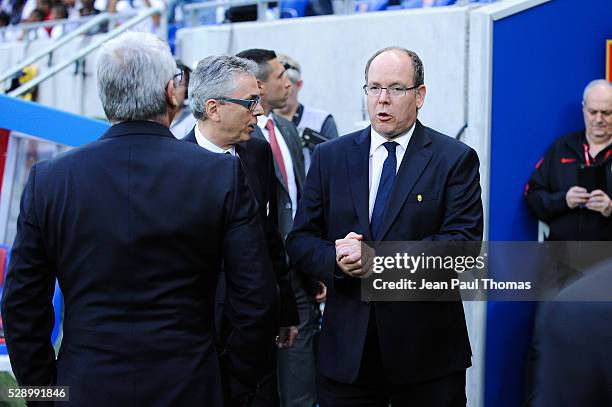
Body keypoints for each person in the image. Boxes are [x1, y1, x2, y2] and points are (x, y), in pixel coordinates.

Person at [0, 31, 277, 406]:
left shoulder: (51, 181)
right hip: (191, 386)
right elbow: (256, 298)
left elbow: (21, 306)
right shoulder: (216, 175)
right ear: (171, 93)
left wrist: (45, 395)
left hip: (86, 388)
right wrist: (229, 382)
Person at [286, 46, 483, 406]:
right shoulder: (332, 156)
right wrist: (336, 261)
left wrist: (377, 260)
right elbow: (300, 240)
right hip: (348, 356)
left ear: (420, 95)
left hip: (427, 356)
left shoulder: (454, 159)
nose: (382, 99)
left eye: (395, 88)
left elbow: (462, 248)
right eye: (374, 88)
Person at [182, 54, 299, 406]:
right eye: (250, 102)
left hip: (255, 340)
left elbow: (269, 235)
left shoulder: (257, 152)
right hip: (198, 342)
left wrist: (285, 309)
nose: (259, 112)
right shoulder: (174, 164)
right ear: (214, 108)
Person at [525, 79, 612, 241]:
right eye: (593, 112)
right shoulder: (562, 147)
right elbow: (533, 195)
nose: (599, 119)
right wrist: (563, 200)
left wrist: (610, 207)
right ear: (584, 109)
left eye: (606, 113)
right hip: (560, 258)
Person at [275, 54, 339, 171]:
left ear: (299, 85)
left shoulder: (322, 120)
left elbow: (337, 161)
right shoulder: (262, 123)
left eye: (287, 86)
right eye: (277, 85)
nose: (282, 91)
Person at [170, 61, 196, 138]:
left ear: (187, 89)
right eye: (171, 84)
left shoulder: (193, 119)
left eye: (179, 84)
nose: (172, 89)